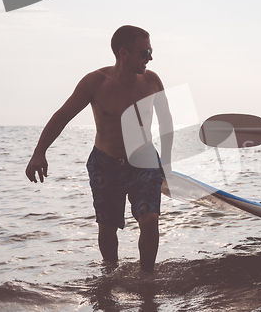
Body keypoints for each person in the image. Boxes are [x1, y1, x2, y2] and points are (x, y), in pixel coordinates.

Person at [25, 25, 174, 273]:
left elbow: (167, 122)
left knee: (149, 221)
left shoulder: (151, 81)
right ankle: (110, 275)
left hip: (144, 161)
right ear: (124, 53)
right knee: (107, 228)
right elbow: (62, 116)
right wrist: (39, 152)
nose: (150, 57)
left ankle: (147, 281)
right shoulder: (95, 82)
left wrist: (167, 164)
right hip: (106, 162)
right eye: (145, 51)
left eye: (151, 50)